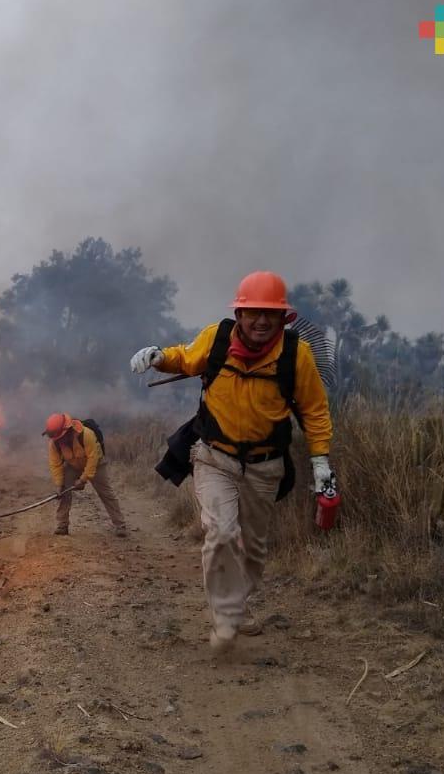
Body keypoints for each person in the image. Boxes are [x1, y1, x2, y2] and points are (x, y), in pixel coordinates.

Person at [129, 271, 335, 653]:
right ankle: (225, 617)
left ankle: (237, 603)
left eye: (268, 314)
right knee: (220, 532)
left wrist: (321, 461)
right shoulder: (217, 338)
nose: (260, 320)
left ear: (282, 318)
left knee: (253, 551)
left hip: (265, 466)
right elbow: (186, 359)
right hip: (213, 458)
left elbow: (315, 411)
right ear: (239, 314)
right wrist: (160, 357)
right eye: (252, 312)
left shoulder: (295, 355)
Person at [42, 413, 127, 538]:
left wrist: (83, 479)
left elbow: (93, 460)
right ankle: (62, 525)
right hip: (73, 465)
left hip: (96, 464)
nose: (58, 440)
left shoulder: (86, 434)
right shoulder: (54, 443)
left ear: (67, 430)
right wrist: (59, 485)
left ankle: (120, 525)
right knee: (63, 492)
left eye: (60, 436)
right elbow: (56, 465)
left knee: (106, 493)